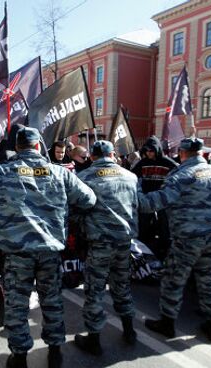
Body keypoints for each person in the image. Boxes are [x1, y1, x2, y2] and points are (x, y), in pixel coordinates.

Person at [0, 127, 97, 368]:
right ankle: (55, 351)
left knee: (17, 304)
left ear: (18, 147)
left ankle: (20, 356)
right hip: (49, 252)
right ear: (37, 147)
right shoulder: (59, 173)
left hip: (16, 252)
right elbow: (89, 199)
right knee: (51, 301)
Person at [139, 138, 211, 344]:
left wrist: (136, 195)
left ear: (183, 153)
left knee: (173, 279)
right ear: (201, 153)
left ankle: (167, 322)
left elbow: (155, 203)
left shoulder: (181, 176)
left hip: (187, 238)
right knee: (209, 279)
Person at [73, 141, 139, 355]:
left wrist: (80, 224)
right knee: (122, 286)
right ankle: (130, 331)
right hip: (124, 242)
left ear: (92, 156)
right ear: (112, 154)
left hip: (99, 243)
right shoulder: (131, 176)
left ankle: (94, 340)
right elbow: (139, 205)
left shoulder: (84, 178)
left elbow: (75, 209)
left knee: (94, 291)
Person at [131, 135, 179, 261]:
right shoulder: (142, 163)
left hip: (163, 199)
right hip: (147, 199)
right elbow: (132, 176)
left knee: (165, 224)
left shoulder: (168, 162)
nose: (149, 153)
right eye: (146, 151)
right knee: (144, 223)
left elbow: (179, 174)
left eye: (151, 150)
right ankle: (144, 247)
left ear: (157, 149)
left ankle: (164, 248)